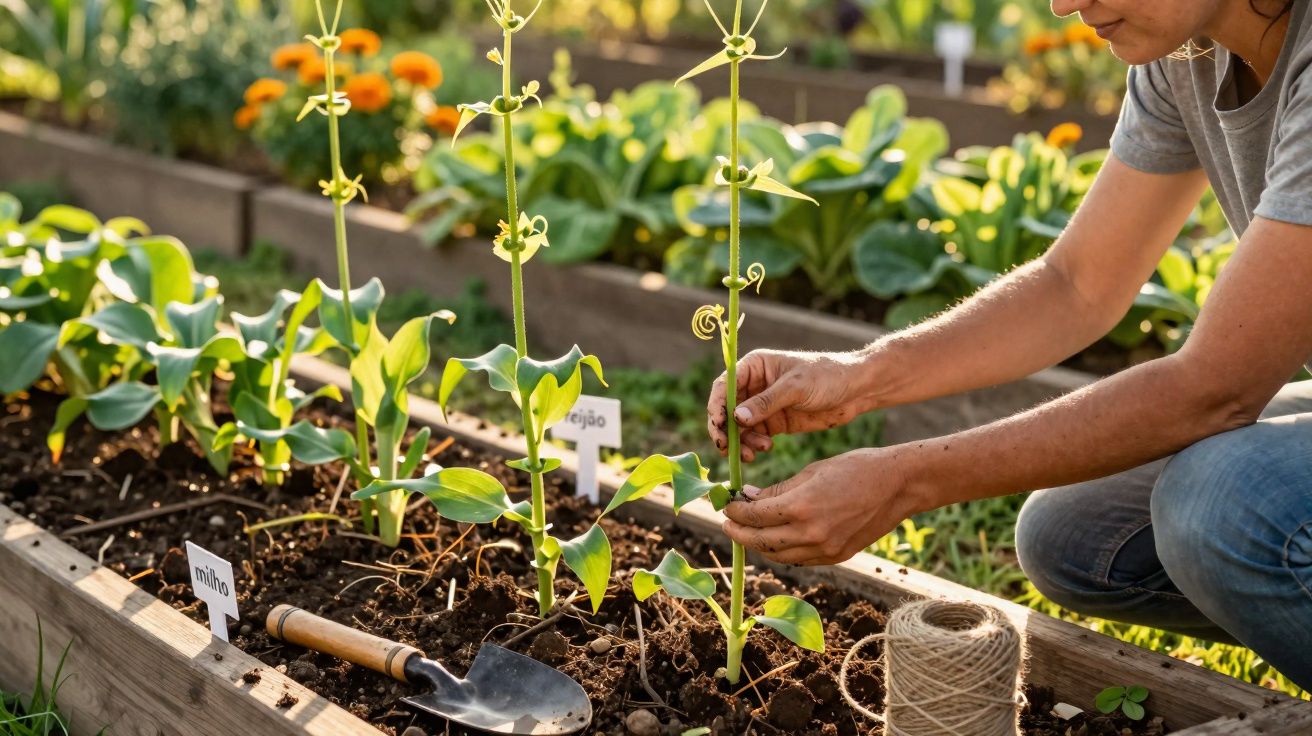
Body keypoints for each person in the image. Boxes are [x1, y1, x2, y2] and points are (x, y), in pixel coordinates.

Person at [707, 0, 1312, 690]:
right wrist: (858, 374)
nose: (1063, 6)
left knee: (1218, 504)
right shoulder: (1187, 55)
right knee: (1074, 534)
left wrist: (903, 481)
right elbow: (1076, 283)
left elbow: (1214, 390)